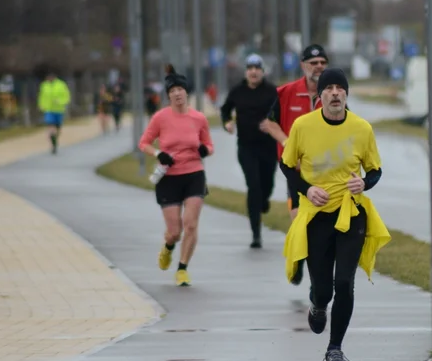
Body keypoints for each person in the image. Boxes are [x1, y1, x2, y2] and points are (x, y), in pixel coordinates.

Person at [280, 67, 390, 361]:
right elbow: (287, 165)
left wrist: (364, 184)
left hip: (350, 213)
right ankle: (317, 304)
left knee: (344, 282)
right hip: (316, 216)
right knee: (324, 289)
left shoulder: (362, 128)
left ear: (346, 95)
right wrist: (307, 188)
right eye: (329, 88)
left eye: (340, 88)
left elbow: (375, 170)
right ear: (320, 96)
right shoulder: (303, 126)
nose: (335, 93)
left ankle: (335, 349)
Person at [138, 66, 215, 287]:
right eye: (173, 90)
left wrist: (204, 150)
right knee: (174, 232)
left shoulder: (198, 118)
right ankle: (168, 248)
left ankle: (182, 268)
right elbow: (143, 143)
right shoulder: (160, 118)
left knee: (190, 225)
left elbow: (209, 145)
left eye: (181, 89)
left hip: (194, 175)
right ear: (168, 95)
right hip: (168, 177)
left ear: (186, 93)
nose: (177, 93)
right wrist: (158, 153)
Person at [259, 44, 328, 286]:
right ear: (303, 66)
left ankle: (314, 274)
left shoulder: (332, 94)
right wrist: (287, 142)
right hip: (295, 170)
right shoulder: (286, 93)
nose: (318, 67)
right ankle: (298, 260)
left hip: (325, 171)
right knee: (299, 218)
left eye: (322, 63)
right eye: (313, 63)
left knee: (321, 226)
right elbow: (269, 123)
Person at [219, 53, 279, 249]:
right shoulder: (237, 91)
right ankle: (256, 234)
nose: (253, 72)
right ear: (246, 72)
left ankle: (264, 200)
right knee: (253, 186)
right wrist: (227, 122)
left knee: (266, 185)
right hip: (246, 147)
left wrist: (272, 124)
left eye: (257, 68)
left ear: (262, 71)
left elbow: (280, 112)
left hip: (268, 147)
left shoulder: (272, 91)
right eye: (250, 68)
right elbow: (225, 109)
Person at [38, 70, 71, 154]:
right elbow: (41, 96)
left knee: (58, 128)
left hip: (59, 109)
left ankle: (55, 140)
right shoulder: (44, 85)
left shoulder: (61, 85)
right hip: (49, 110)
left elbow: (66, 96)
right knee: (50, 127)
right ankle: (53, 144)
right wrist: (41, 105)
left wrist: (60, 102)